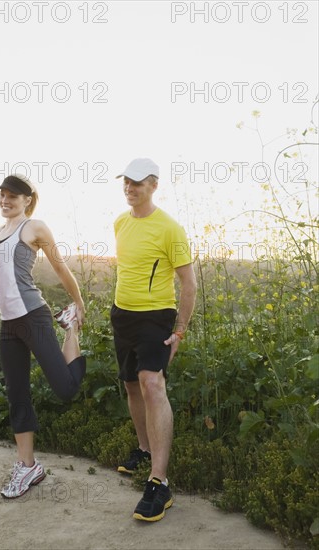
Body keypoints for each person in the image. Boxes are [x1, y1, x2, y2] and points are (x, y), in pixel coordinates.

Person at [0, 174, 86, 499]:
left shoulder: (34, 227)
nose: (6, 200)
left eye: (13, 196)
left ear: (27, 200)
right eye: (3, 195)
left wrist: (78, 302)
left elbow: (61, 266)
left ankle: (71, 328)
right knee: (17, 394)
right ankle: (28, 466)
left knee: (66, 389)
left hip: (34, 316)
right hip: (8, 324)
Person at [111, 158, 197, 522]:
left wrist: (179, 330)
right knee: (131, 384)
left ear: (154, 185)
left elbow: (189, 284)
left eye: (138, 183)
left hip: (156, 317)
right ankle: (144, 449)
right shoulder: (120, 222)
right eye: (126, 182)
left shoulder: (170, 229)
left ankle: (159, 482)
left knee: (152, 384)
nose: (130, 188)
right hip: (122, 315)